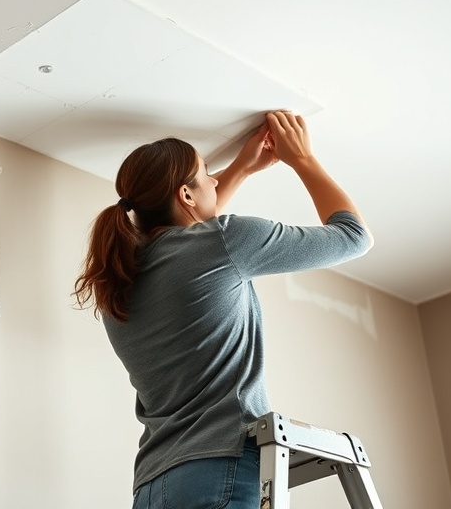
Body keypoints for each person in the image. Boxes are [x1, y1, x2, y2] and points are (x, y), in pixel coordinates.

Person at [74, 111, 372, 509]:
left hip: (151, 486)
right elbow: (354, 237)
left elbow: (195, 235)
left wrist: (242, 168)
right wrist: (303, 158)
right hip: (221, 465)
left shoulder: (118, 282)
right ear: (184, 194)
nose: (216, 180)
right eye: (207, 172)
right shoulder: (220, 243)